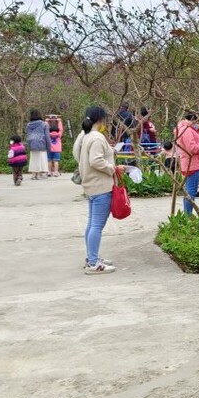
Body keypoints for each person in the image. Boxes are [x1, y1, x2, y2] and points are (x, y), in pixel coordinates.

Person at [73, 106, 125, 274]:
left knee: (92, 223)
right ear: (101, 120)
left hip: (92, 186)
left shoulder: (86, 136)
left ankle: (91, 257)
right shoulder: (96, 138)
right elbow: (96, 161)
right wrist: (112, 168)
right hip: (101, 186)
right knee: (96, 225)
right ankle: (94, 263)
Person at [174, 112, 199, 215]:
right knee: (191, 192)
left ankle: (187, 214)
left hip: (189, 163)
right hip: (192, 164)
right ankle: (188, 215)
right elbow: (192, 148)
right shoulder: (186, 130)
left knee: (189, 191)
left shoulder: (184, 128)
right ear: (194, 120)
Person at [26, 109, 50, 180]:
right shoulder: (44, 124)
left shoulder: (28, 125)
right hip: (41, 143)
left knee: (33, 159)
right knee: (41, 159)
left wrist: (29, 144)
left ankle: (34, 175)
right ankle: (41, 174)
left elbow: (27, 135)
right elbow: (47, 136)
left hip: (32, 143)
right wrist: (49, 146)